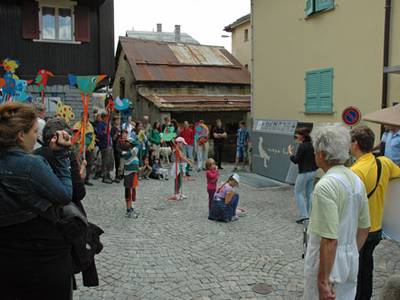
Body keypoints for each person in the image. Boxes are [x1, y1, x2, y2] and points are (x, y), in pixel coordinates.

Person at [0, 103, 73, 299]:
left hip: (7, 257)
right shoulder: (32, 165)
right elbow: (65, 194)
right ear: (20, 135)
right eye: (34, 131)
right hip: (43, 257)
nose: (36, 137)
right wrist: (62, 156)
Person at [304, 124, 370, 300]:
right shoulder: (356, 181)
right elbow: (364, 228)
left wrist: (323, 281)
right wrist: (350, 252)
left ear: (321, 154)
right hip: (350, 258)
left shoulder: (325, 185)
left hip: (327, 263)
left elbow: (329, 238)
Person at [349, 125, 400, 300]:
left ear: (355, 144)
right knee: (367, 266)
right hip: (377, 227)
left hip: (359, 230)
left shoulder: (355, 172)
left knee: (355, 269)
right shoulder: (384, 162)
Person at [287, 127, 318, 224]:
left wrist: (290, 153)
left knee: (298, 192)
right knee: (309, 194)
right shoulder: (313, 145)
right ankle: (309, 215)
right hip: (313, 171)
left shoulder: (302, 146)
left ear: (302, 136)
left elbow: (295, 160)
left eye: (298, 134)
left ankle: (305, 217)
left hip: (304, 172)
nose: (296, 136)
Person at [73, 112, 96, 186]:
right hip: (80, 148)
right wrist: (82, 144)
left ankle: (87, 179)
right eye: (82, 116)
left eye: (85, 117)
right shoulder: (77, 125)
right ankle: (80, 179)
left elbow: (92, 136)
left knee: (89, 164)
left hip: (89, 149)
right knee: (80, 164)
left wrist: (91, 146)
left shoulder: (90, 126)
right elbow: (75, 137)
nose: (84, 118)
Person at [121, 141, 140, 218]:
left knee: (131, 191)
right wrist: (132, 141)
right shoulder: (128, 153)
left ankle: (130, 208)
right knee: (128, 192)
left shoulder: (128, 152)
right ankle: (128, 210)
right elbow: (138, 144)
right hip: (129, 175)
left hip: (132, 174)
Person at [96, 111, 114, 183]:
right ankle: (105, 176)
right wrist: (105, 132)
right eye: (107, 117)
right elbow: (99, 134)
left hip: (109, 144)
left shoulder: (107, 124)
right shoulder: (101, 124)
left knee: (110, 161)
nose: (108, 119)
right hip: (104, 145)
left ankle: (108, 174)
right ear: (104, 117)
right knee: (105, 161)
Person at [111, 117, 122, 182]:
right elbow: (113, 139)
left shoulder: (119, 128)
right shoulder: (113, 129)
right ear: (114, 121)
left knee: (119, 161)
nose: (118, 121)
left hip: (119, 147)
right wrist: (117, 132)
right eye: (117, 120)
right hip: (115, 147)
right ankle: (116, 176)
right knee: (116, 162)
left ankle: (119, 175)